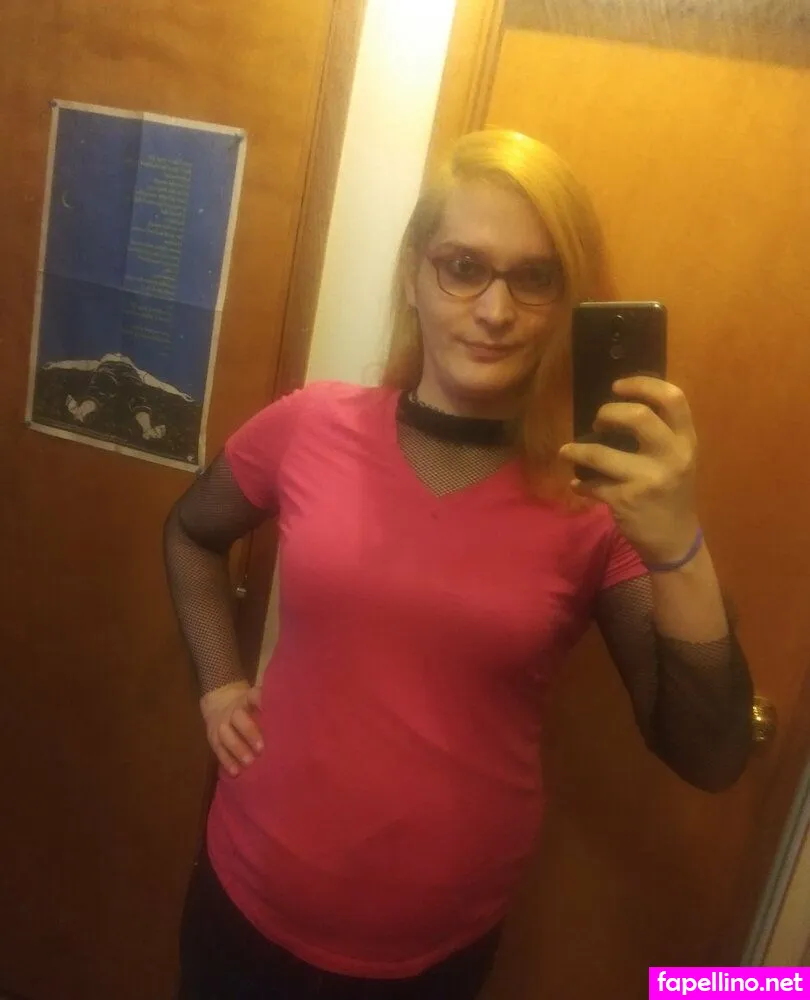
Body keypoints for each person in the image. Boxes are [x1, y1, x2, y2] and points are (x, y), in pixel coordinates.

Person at [164, 129, 753, 999]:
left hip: (435, 945)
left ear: (567, 302)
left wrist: (678, 546)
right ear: (414, 273)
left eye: (534, 277)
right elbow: (191, 535)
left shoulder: (599, 498)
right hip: (246, 891)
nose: (495, 309)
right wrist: (219, 682)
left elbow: (708, 753)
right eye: (464, 266)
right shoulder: (310, 424)